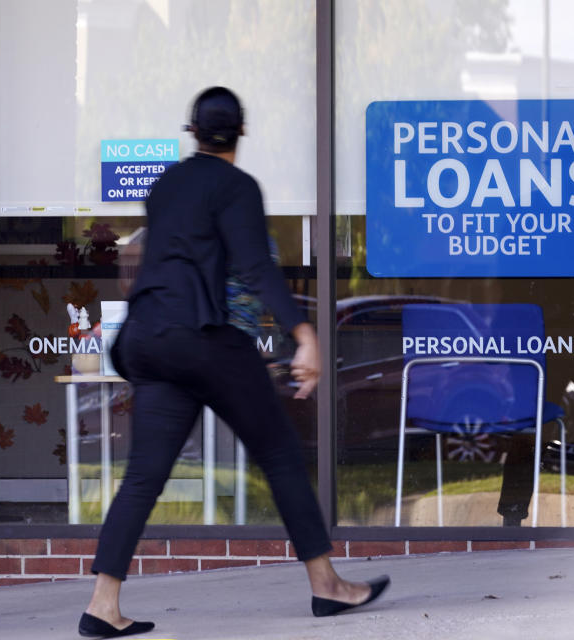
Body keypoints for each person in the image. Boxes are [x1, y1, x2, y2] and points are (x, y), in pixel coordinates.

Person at [78, 87, 389, 638]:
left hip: (149, 338)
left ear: (191, 131)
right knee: (280, 453)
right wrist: (304, 334)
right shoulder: (237, 187)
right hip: (204, 339)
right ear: (240, 134)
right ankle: (327, 586)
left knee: (143, 477)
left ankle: (103, 604)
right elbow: (255, 267)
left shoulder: (166, 185)